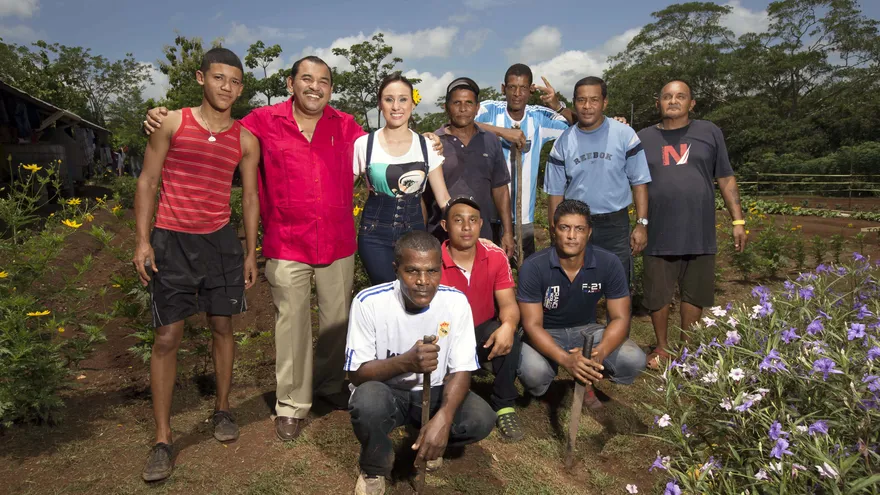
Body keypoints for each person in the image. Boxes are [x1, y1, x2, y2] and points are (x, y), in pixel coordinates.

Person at [144, 57, 444, 442]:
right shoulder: (262, 122)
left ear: (331, 89)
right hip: (286, 243)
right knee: (292, 325)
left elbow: (390, 141)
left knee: (337, 322)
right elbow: (214, 123)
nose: (314, 87)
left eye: (323, 81)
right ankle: (291, 404)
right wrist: (156, 117)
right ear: (291, 83)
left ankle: (329, 384)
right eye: (306, 78)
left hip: (337, 242)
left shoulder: (347, 127)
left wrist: (431, 139)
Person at [132, 47, 261, 482]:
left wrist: (248, 251)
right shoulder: (172, 121)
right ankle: (164, 438)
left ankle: (223, 409)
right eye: (220, 78)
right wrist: (142, 241)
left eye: (236, 81)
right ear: (201, 78)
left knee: (223, 327)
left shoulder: (245, 140)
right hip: (172, 241)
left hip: (220, 243)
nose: (228, 87)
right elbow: (148, 179)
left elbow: (249, 197)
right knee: (167, 336)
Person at [345, 230, 495, 495]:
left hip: (434, 392)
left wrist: (444, 419)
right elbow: (357, 374)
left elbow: (461, 370)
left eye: (432, 271)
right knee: (366, 402)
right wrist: (405, 363)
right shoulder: (369, 303)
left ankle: (430, 439)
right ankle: (374, 467)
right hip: (386, 391)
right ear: (396, 269)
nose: (423, 281)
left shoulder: (456, 303)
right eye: (412, 271)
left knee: (480, 418)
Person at [638, 79, 747, 369]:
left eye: (680, 96)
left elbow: (725, 177)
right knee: (658, 293)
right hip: (658, 229)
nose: (673, 101)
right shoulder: (642, 138)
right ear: (658, 102)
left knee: (694, 292)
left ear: (691, 103)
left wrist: (738, 219)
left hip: (698, 229)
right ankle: (661, 348)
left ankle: (687, 350)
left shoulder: (709, 132)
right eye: (667, 96)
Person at [517, 200, 646, 410]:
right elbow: (532, 325)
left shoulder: (609, 263)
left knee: (634, 360)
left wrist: (600, 352)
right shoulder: (533, 267)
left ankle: (588, 376)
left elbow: (621, 317)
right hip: (546, 332)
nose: (571, 236)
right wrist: (567, 360)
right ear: (553, 229)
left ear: (589, 232)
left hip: (588, 331)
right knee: (533, 372)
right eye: (564, 228)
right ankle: (549, 389)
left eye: (579, 229)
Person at [545, 76, 651, 288]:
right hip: (576, 225)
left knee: (618, 285)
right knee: (574, 284)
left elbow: (639, 182)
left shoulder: (625, 135)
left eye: (594, 100)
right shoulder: (563, 142)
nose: (587, 106)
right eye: (581, 100)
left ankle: (619, 321)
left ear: (605, 102)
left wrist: (641, 224)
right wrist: (554, 229)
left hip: (615, 224)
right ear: (574, 102)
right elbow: (555, 192)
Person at [439, 197, 523, 440]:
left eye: (473, 220)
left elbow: (508, 303)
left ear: (481, 224)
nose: (466, 227)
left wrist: (509, 324)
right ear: (445, 226)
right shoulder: (433, 260)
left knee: (508, 331)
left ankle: (505, 403)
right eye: (458, 220)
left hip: (480, 331)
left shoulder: (495, 256)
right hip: (445, 334)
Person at [354, 73, 450, 285]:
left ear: (413, 104)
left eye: (403, 99)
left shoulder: (428, 146)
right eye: (389, 99)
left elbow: (443, 198)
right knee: (385, 292)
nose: (396, 106)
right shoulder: (364, 144)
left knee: (413, 292)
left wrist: (465, 223)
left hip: (414, 231)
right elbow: (342, 192)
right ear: (380, 104)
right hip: (374, 234)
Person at [475, 64, 574, 259]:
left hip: (523, 218)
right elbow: (461, 120)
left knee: (526, 273)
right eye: (512, 87)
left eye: (523, 88)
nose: (517, 94)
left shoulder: (539, 117)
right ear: (503, 88)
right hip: (488, 214)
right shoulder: (489, 110)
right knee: (492, 274)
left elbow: (579, 124)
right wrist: (503, 132)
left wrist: (557, 105)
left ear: (531, 89)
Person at [425, 77, 512, 253]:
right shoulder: (433, 142)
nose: (463, 108)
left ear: (477, 107)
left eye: (468, 103)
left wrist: (508, 232)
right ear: (446, 107)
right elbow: (422, 197)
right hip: (440, 237)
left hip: (483, 235)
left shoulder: (491, 141)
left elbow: (501, 190)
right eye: (456, 102)